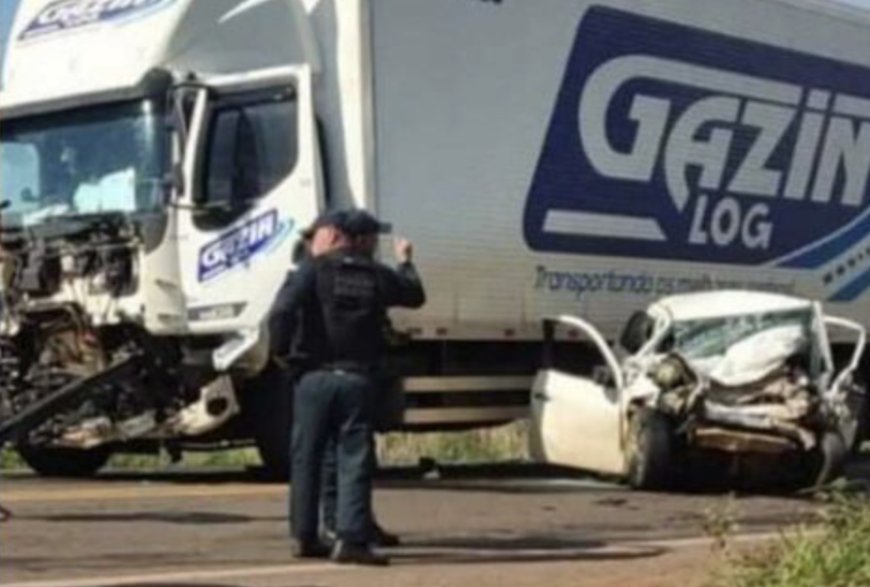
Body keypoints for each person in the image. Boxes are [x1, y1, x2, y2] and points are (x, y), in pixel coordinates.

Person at [270, 209, 425, 565]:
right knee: (353, 457)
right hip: (356, 379)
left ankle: (305, 537)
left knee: (305, 457)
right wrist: (406, 262)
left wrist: (284, 357)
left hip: (312, 378)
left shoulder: (312, 268)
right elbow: (414, 294)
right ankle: (351, 539)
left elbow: (281, 313)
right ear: (358, 240)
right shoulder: (375, 274)